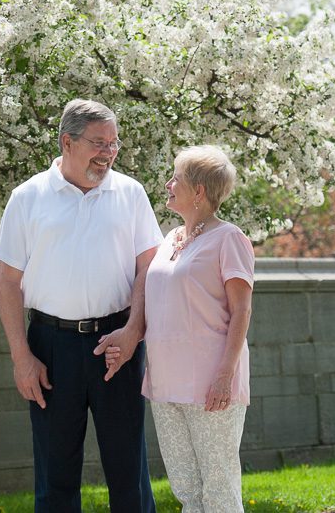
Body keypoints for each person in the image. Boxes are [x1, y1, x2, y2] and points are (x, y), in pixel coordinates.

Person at [0, 99, 163, 513]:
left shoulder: (131, 193)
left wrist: (134, 330)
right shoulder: (28, 197)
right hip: (50, 348)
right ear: (67, 142)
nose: (108, 152)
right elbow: (8, 282)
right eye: (98, 142)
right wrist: (22, 357)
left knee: (129, 471)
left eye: (114, 143)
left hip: (117, 344)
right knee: (55, 474)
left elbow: (149, 269)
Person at [103, 144, 254, 513]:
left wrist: (224, 374)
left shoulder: (229, 239)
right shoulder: (169, 240)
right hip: (166, 384)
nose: (168, 184)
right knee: (187, 489)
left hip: (210, 385)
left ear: (199, 191)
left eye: (176, 178)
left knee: (218, 487)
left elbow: (242, 311)